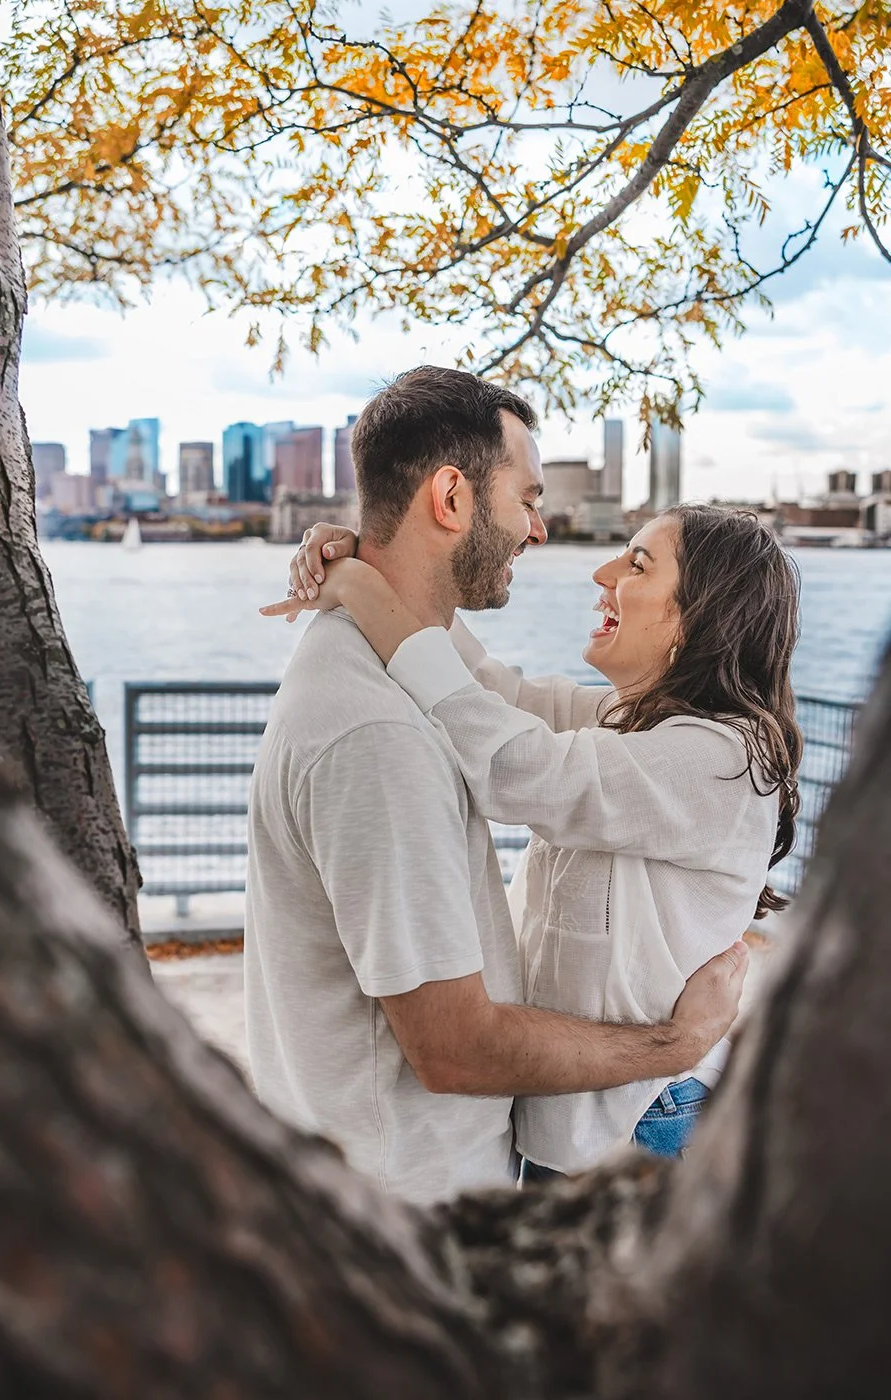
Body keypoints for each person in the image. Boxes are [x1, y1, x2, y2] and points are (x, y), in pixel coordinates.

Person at [239, 365, 748, 1203]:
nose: (541, 532)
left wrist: (362, 573)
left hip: (403, 1189)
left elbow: (501, 702)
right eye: (528, 497)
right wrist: (672, 1045)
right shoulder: (379, 733)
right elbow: (455, 1049)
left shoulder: (384, 679)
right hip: (407, 1212)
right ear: (452, 498)